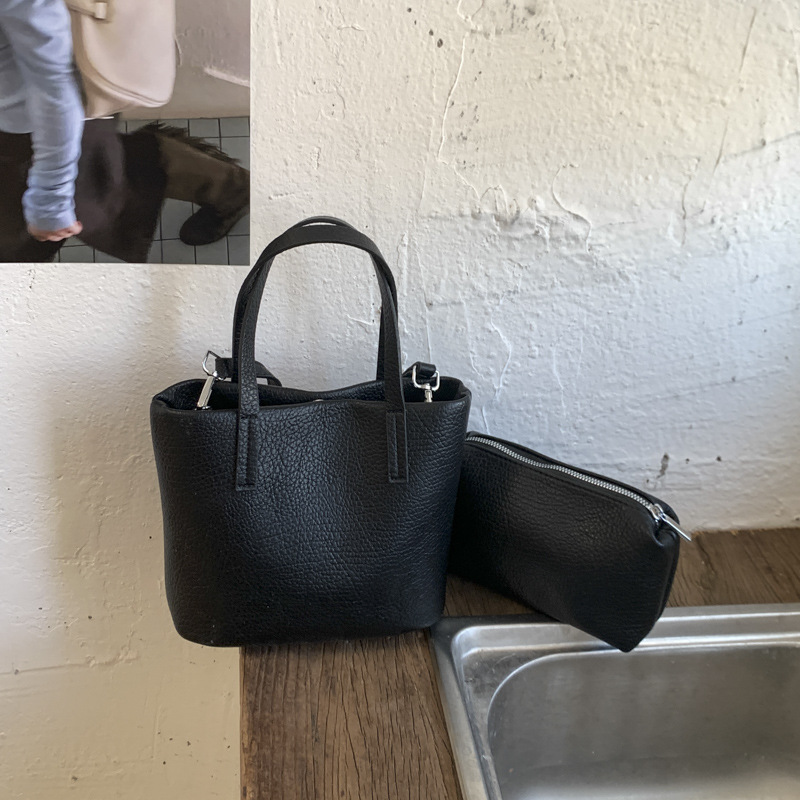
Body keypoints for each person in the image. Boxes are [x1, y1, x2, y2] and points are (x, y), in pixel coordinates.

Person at [0, 0, 249, 264]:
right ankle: (226, 185)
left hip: (51, 114)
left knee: (102, 181)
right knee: (102, 173)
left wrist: (50, 198)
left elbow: (54, 90)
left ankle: (230, 187)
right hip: (36, 112)